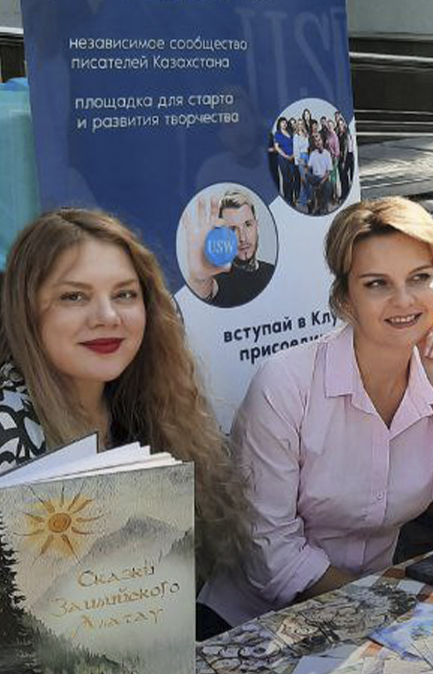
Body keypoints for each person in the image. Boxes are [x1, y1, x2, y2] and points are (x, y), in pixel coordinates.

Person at [200, 196, 433, 626]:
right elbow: (272, 555)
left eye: (420, 278)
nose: (404, 300)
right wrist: (388, 611)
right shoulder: (286, 383)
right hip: (255, 624)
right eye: (377, 284)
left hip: (370, 617)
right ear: (345, 298)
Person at [0, 208, 251, 637]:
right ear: (26, 311)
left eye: (124, 294)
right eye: (73, 297)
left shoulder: (152, 402)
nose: (108, 316)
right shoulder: (8, 425)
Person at [183, 189, 275, 308]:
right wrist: (200, 280)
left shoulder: (271, 271)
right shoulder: (217, 278)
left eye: (248, 224)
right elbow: (206, 292)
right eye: (232, 229)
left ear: (256, 225)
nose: (242, 237)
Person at [306, 132, 334, 216]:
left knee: (329, 186)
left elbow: (329, 171)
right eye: (316, 141)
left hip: (324, 178)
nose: (318, 142)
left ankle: (322, 207)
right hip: (315, 178)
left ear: (322, 141)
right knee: (308, 177)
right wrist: (306, 170)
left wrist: (322, 181)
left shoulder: (327, 154)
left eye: (319, 140)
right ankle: (312, 203)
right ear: (314, 143)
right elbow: (308, 167)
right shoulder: (313, 154)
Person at [272, 117, 297, 207]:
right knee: (286, 179)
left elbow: (294, 144)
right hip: (283, 158)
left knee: (291, 178)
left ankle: (292, 199)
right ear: (279, 124)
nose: (284, 124)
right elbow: (277, 147)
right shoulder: (277, 134)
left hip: (292, 158)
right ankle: (287, 200)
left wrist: (293, 155)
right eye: (282, 122)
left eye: (285, 122)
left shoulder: (290, 133)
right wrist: (286, 156)